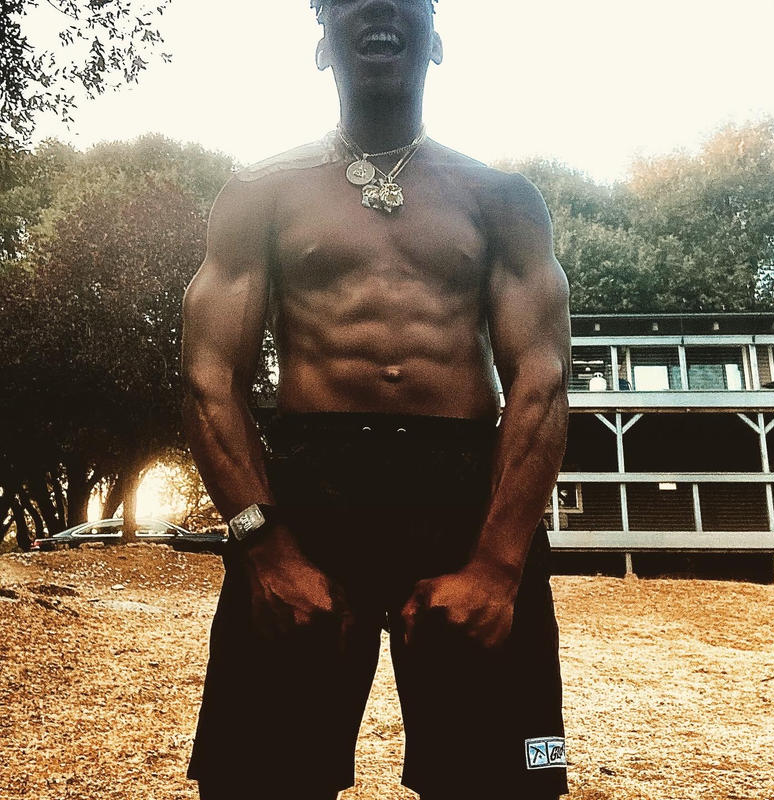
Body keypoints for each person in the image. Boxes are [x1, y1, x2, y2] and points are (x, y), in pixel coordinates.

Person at [181, 1, 571, 798]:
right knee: (255, 781)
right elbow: (208, 376)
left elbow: (543, 380)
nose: (380, 3)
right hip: (307, 495)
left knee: (514, 779)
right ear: (322, 45)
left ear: (438, 39)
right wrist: (264, 549)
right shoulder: (260, 191)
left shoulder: (502, 198)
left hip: (469, 499)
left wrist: (499, 565)